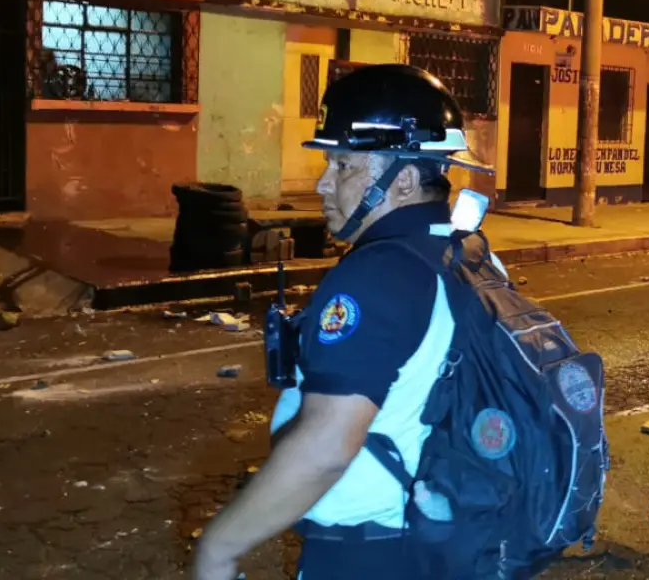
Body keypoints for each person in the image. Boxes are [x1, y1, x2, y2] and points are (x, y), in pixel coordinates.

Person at [191, 64, 498, 580]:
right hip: (442, 539)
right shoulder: (462, 249)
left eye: (343, 165)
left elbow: (327, 449)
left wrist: (217, 549)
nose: (323, 183)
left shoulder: (379, 274)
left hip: (372, 555)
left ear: (400, 180)